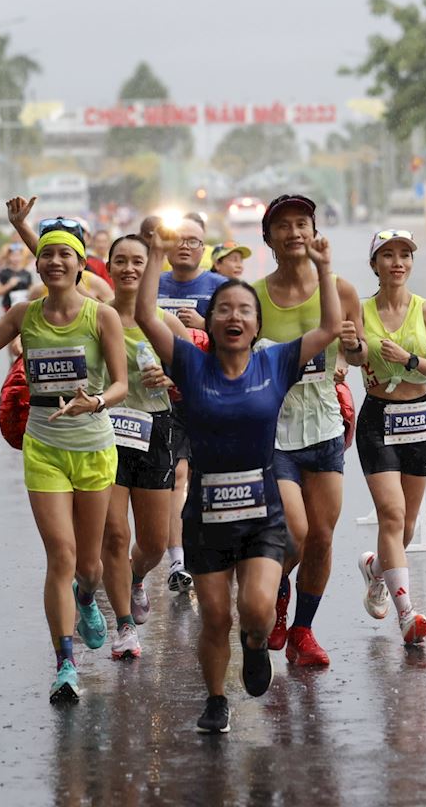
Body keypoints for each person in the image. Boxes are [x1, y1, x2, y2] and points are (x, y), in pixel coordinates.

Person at [136, 223, 340, 734]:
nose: (233, 316)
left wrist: (324, 268)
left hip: (262, 516)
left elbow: (331, 327)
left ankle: (256, 644)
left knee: (253, 609)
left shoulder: (277, 361)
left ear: (256, 325)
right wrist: (156, 257)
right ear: (210, 319)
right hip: (205, 519)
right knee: (214, 619)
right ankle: (215, 700)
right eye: (223, 309)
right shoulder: (189, 362)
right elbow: (144, 315)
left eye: (244, 310)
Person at [0, 206, 128, 704]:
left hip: (95, 447)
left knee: (90, 566)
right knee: (61, 554)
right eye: (47, 254)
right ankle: (65, 663)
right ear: (38, 264)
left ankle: (86, 597)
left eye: (65, 254)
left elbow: (120, 384)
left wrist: (94, 401)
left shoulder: (104, 316)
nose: (55, 261)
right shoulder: (23, 316)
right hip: (45, 447)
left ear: (80, 265)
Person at [254, 194, 364, 667]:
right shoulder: (253, 295)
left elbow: (356, 356)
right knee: (296, 533)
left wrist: (353, 351)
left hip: (323, 423)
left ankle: (303, 630)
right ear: (269, 238)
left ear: (316, 232)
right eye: (284, 226)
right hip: (272, 430)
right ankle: (278, 589)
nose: (294, 232)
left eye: (303, 223)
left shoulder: (340, 289)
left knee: (322, 535)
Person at [352, 229, 426, 645]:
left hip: (419, 418)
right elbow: (352, 353)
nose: (397, 262)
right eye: (388, 255)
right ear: (374, 264)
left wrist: (410, 359)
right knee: (391, 516)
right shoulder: (359, 309)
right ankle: (407, 614)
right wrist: (353, 356)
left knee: (406, 526)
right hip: (378, 418)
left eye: (405, 255)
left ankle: (376, 571)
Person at [98, 235, 190, 660]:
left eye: (138, 261)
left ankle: (137, 578)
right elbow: (56, 268)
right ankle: (123, 627)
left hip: (156, 432)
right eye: (121, 261)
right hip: (105, 432)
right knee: (115, 534)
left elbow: (197, 379)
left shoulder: (166, 324)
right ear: (109, 268)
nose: (130, 269)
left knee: (152, 542)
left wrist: (171, 381)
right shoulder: (96, 316)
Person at [156, 216, 230, 594]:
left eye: (194, 241)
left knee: (210, 477)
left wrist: (205, 323)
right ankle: (178, 561)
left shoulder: (220, 287)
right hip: (159, 398)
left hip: (207, 398)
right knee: (177, 477)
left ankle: (214, 551)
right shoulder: (151, 283)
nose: (185, 246)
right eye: (178, 239)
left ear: (205, 249)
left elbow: (245, 339)